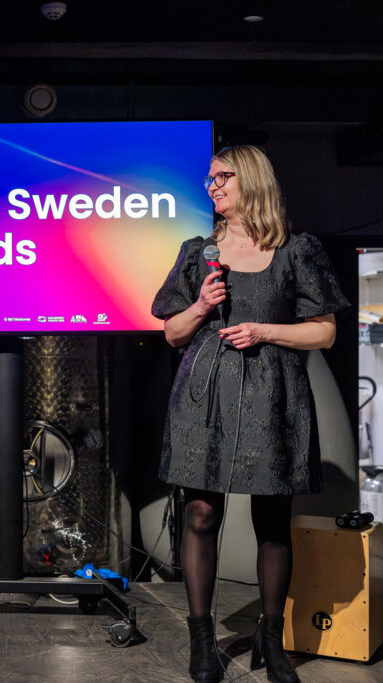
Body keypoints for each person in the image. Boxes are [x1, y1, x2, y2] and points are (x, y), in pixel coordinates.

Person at [152, 146, 348, 683]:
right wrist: (199, 306)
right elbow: (171, 332)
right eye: (209, 179)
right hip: (205, 394)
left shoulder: (296, 250)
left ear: (252, 179)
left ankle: (271, 639)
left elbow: (325, 332)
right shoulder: (199, 252)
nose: (212, 185)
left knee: (272, 522)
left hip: (272, 393)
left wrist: (264, 330)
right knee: (200, 514)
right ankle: (201, 643)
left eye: (222, 176)